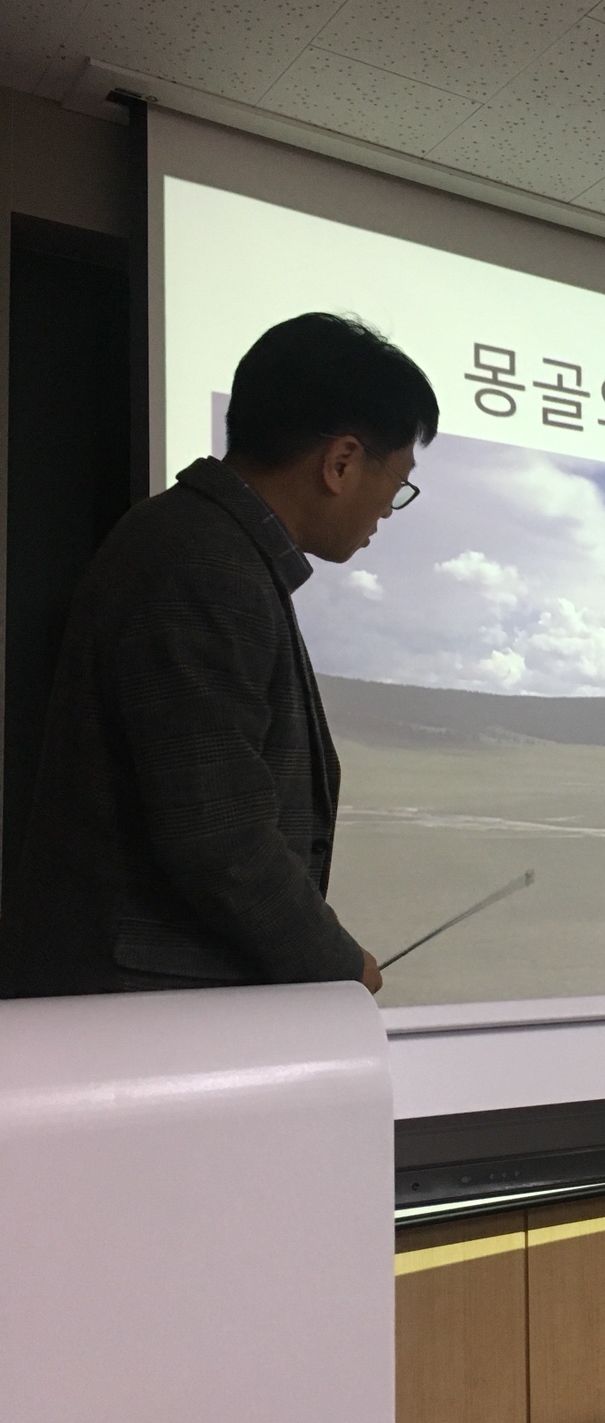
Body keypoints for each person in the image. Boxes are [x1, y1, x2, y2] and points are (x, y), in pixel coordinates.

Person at [0, 311, 437, 998]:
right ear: (342, 462)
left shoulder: (200, 543)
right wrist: (338, 966)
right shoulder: (204, 563)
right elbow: (217, 834)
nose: (388, 508)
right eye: (398, 483)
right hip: (144, 1016)